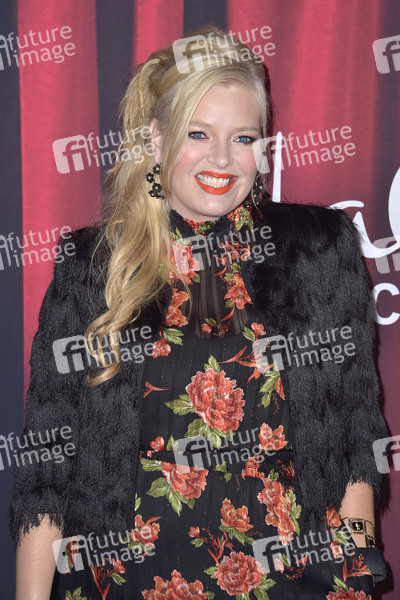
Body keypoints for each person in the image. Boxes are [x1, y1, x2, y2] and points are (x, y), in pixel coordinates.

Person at [11, 26, 387, 600]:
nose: (222, 159)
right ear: (157, 140)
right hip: (127, 582)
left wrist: (355, 576)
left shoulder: (318, 249)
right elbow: (47, 471)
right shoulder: (93, 265)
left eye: (243, 138)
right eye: (198, 133)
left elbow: (355, 435)